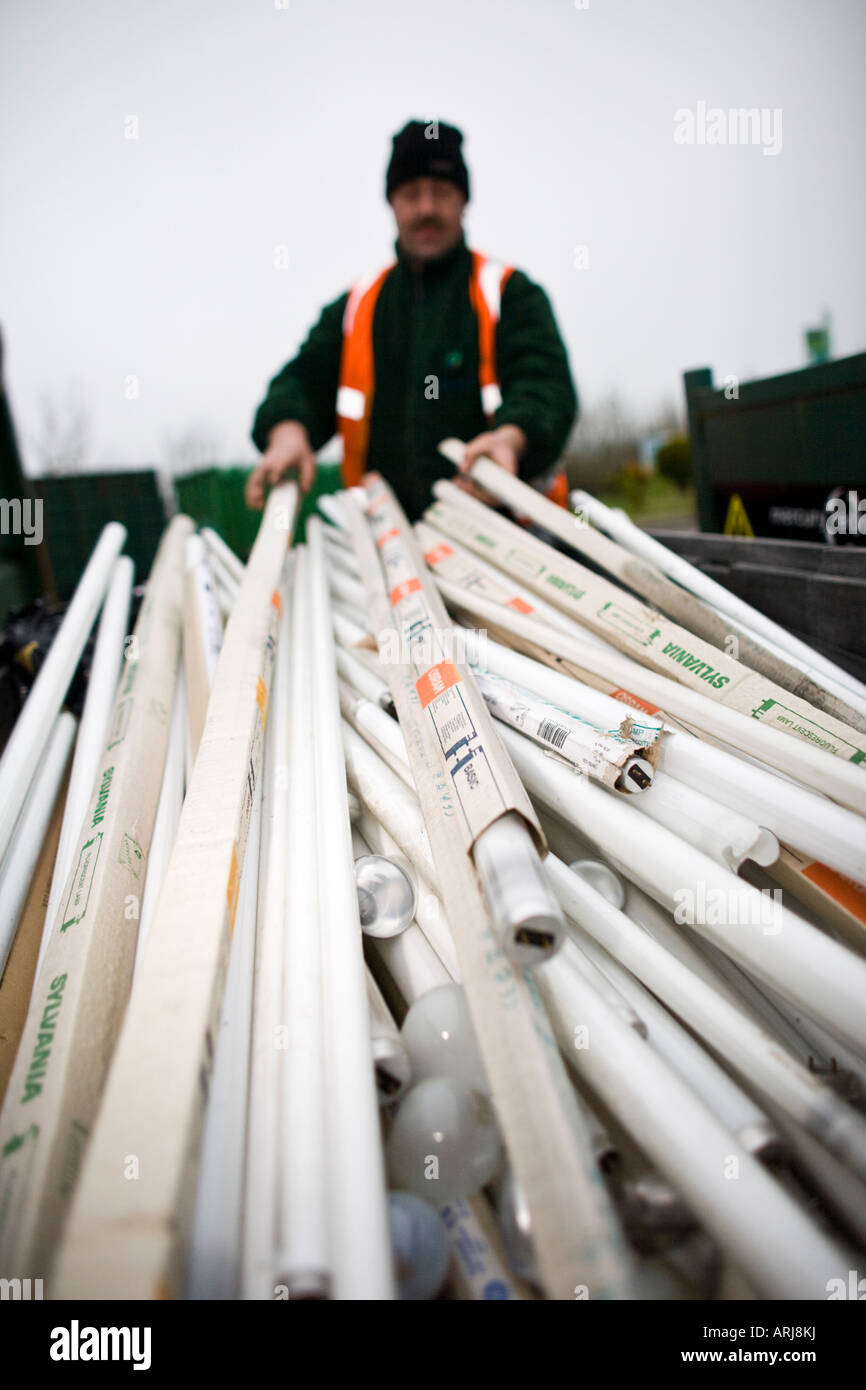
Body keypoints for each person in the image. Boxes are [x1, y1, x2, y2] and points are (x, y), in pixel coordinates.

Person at [246, 119, 577, 522]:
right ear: (391, 202)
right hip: (390, 547)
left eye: (441, 192)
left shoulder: (509, 293)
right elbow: (300, 381)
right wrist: (288, 433)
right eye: (411, 194)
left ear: (464, 200)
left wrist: (511, 438)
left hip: (508, 543)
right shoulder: (356, 307)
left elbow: (546, 387)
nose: (426, 209)